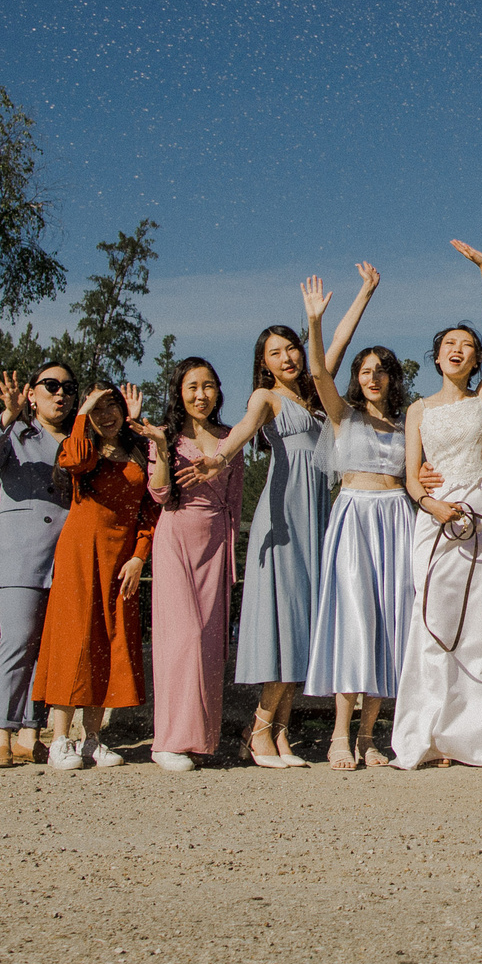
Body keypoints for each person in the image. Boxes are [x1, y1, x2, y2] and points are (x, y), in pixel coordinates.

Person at [392, 240, 482, 770]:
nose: (459, 349)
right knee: (434, 620)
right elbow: (410, 479)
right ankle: (431, 735)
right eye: (449, 344)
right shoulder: (417, 409)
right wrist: (430, 505)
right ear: (436, 356)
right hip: (436, 520)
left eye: (467, 345)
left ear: (477, 359)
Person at [198, 294, 353, 769]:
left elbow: (338, 347)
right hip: (283, 518)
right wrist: (221, 457)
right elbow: (244, 428)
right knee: (284, 622)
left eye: (293, 348)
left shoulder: (314, 394)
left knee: (304, 625)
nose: (288, 357)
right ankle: (261, 728)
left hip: (317, 518)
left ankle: (278, 734)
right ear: (263, 365)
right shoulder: (265, 398)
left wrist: (363, 294)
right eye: (275, 353)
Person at [303, 268, 419, 771]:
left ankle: (370, 736)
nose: (372, 376)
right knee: (355, 620)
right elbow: (317, 373)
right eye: (365, 370)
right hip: (354, 517)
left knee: (391, 622)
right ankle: (338, 735)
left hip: (397, 519)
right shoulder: (342, 416)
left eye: (381, 369)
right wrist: (341, 309)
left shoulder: (406, 423)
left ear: (393, 378)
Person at [31, 382, 159, 771]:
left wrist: (140, 556)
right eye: (97, 408)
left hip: (120, 557)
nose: (107, 415)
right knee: (76, 640)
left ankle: (93, 739)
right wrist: (82, 412)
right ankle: (58, 740)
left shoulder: (139, 451)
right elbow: (73, 459)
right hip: (81, 553)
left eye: (112, 407)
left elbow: (149, 510)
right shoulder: (81, 448)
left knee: (109, 640)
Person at [138, 356, 246, 772]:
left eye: (209, 386)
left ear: (218, 391)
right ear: (179, 394)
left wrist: (233, 553)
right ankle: (167, 741)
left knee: (208, 641)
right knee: (180, 638)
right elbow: (161, 494)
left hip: (218, 541)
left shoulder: (230, 437)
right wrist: (162, 449)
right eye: (192, 387)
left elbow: (235, 499)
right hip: (177, 538)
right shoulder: (164, 436)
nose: (201, 395)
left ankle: (200, 738)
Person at [0, 360, 78, 768]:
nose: (59, 393)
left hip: (66, 556)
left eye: (67, 388)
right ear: (31, 393)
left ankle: (31, 732)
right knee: (17, 643)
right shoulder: (14, 431)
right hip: (20, 555)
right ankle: (1, 732)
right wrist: (7, 415)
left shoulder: (78, 439)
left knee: (47, 650)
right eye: (49, 385)